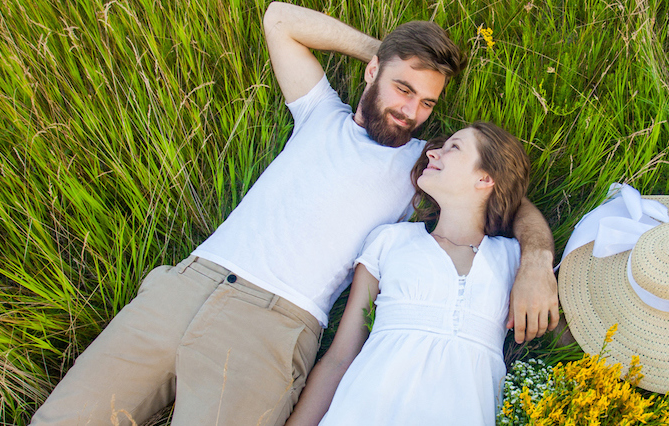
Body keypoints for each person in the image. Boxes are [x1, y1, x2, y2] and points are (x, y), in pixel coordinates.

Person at [30, 3, 558, 426]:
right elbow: (279, 19)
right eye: (403, 88)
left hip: (271, 328)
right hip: (187, 285)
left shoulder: (418, 165)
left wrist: (536, 259)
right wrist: (388, 51)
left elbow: (507, 196)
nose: (411, 111)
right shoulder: (318, 114)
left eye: (427, 103)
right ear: (372, 72)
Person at [284, 122, 530, 426]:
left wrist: (540, 264)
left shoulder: (514, 258)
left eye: (453, 147)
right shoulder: (391, 241)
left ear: (485, 177)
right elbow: (339, 357)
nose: (433, 154)